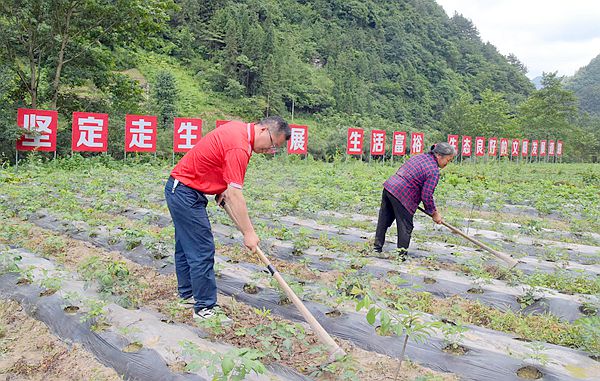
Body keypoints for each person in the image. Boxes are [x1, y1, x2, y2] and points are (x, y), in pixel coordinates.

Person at [165, 116, 291, 320]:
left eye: (274, 149)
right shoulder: (239, 146)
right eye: (271, 145)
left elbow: (218, 165)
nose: (269, 151)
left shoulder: (238, 130)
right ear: (263, 130)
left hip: (182, 188)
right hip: (185, 191)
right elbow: (235, 194)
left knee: (185, 245)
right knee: (201, 248)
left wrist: (220, 189)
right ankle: (205, 308)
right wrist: (249, 232)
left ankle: (187, 294)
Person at [373, 142, 456, 259]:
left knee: (384, 220)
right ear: (438, 155)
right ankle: (401, 257)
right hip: (403, 194)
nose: (448, 163)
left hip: (390, 187)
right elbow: (427, 195)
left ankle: (376, 248)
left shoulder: (419, 157)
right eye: (448, 160)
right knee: (405, 226)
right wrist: (434, 213)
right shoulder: (433, 171)